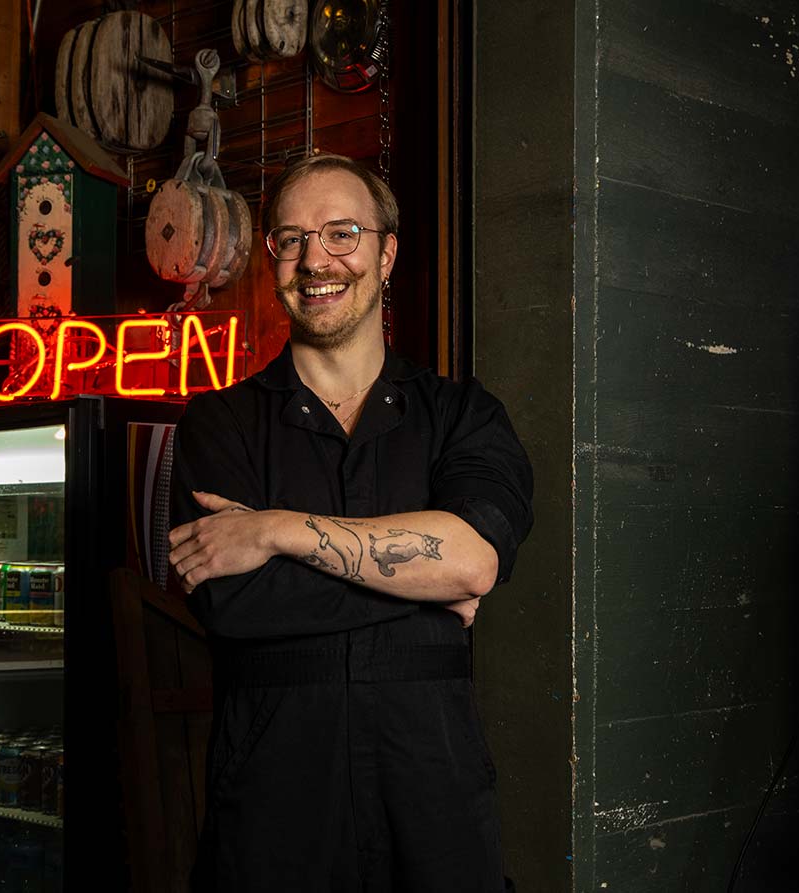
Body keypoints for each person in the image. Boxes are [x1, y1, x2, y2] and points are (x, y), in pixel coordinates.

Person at [167, 153, 534, 892]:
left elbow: (475, 560)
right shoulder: (220, 424)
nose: (317, 260)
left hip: (435, 810)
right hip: (273, 817)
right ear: (272, 258)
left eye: (343, 233)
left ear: (386, 252)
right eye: (293, 238)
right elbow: (232, 602)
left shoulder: (462, 415)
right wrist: (426, 580)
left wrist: (275, 531)